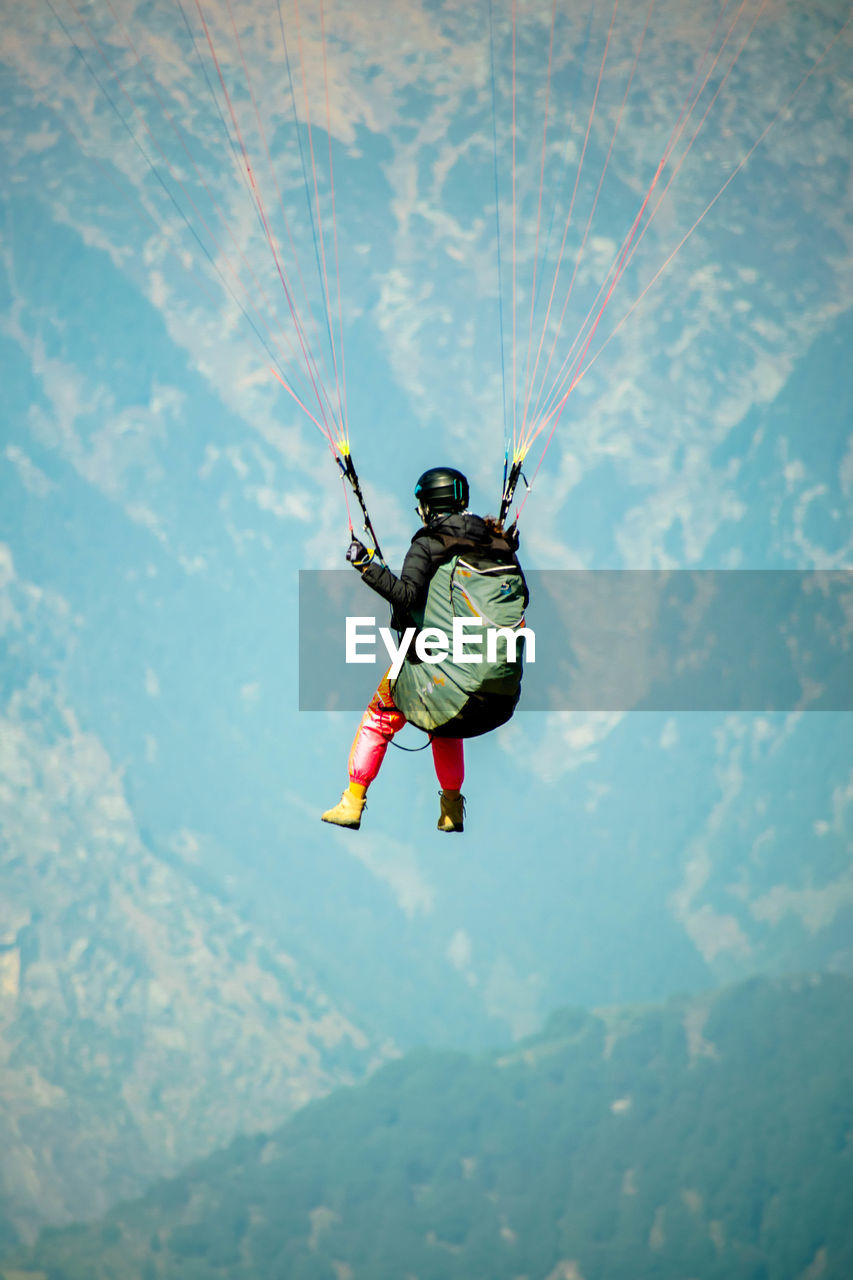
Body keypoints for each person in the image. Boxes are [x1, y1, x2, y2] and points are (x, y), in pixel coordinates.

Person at [321, 466, 518, 834]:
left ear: (430, 505)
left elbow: (406, 595)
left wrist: (366, 566)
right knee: (442, 724)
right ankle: (452, 809)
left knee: (380, 715)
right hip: (488, 675)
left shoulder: (429, 543)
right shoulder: (499, 543)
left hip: (436, 661)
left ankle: (352, 802)